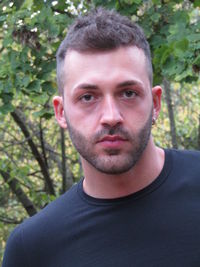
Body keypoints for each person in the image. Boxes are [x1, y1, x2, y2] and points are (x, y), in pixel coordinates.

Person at [2, 7, 200, 267]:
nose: (111, 116)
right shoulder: (32, 250)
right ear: (61, 112)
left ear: (156, 103)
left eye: (128, 93)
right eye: (87, 97)